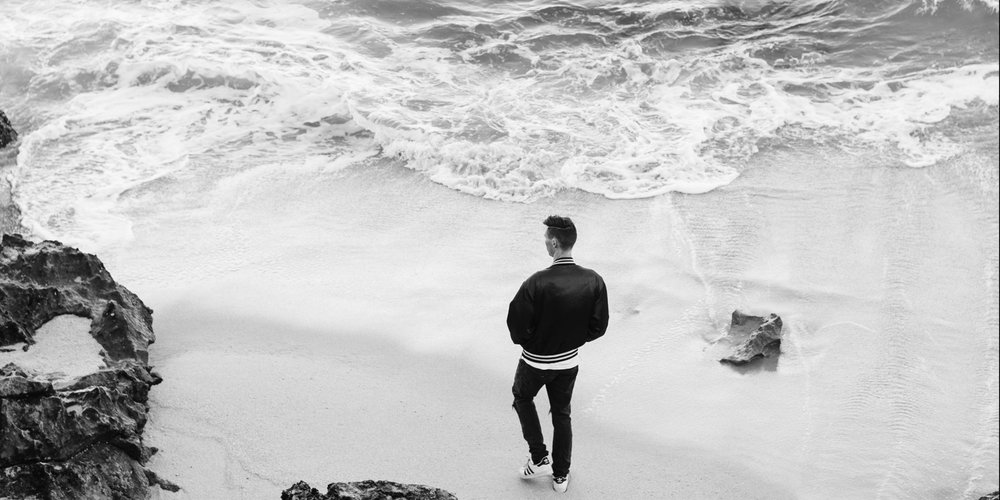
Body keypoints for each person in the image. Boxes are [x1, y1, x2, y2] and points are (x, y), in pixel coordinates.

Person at [507, 215, 609, 493]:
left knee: (522, 396)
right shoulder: (594, 280)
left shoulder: (536, 282)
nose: (545, 245)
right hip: (568, 362)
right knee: (562, 414)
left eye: (545, 241)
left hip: (534, 362)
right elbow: (599, 327)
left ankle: (539, 456)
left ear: (554, 243)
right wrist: (572, 340)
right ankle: (561, 476)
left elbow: (515, 325)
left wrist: (533, 342)